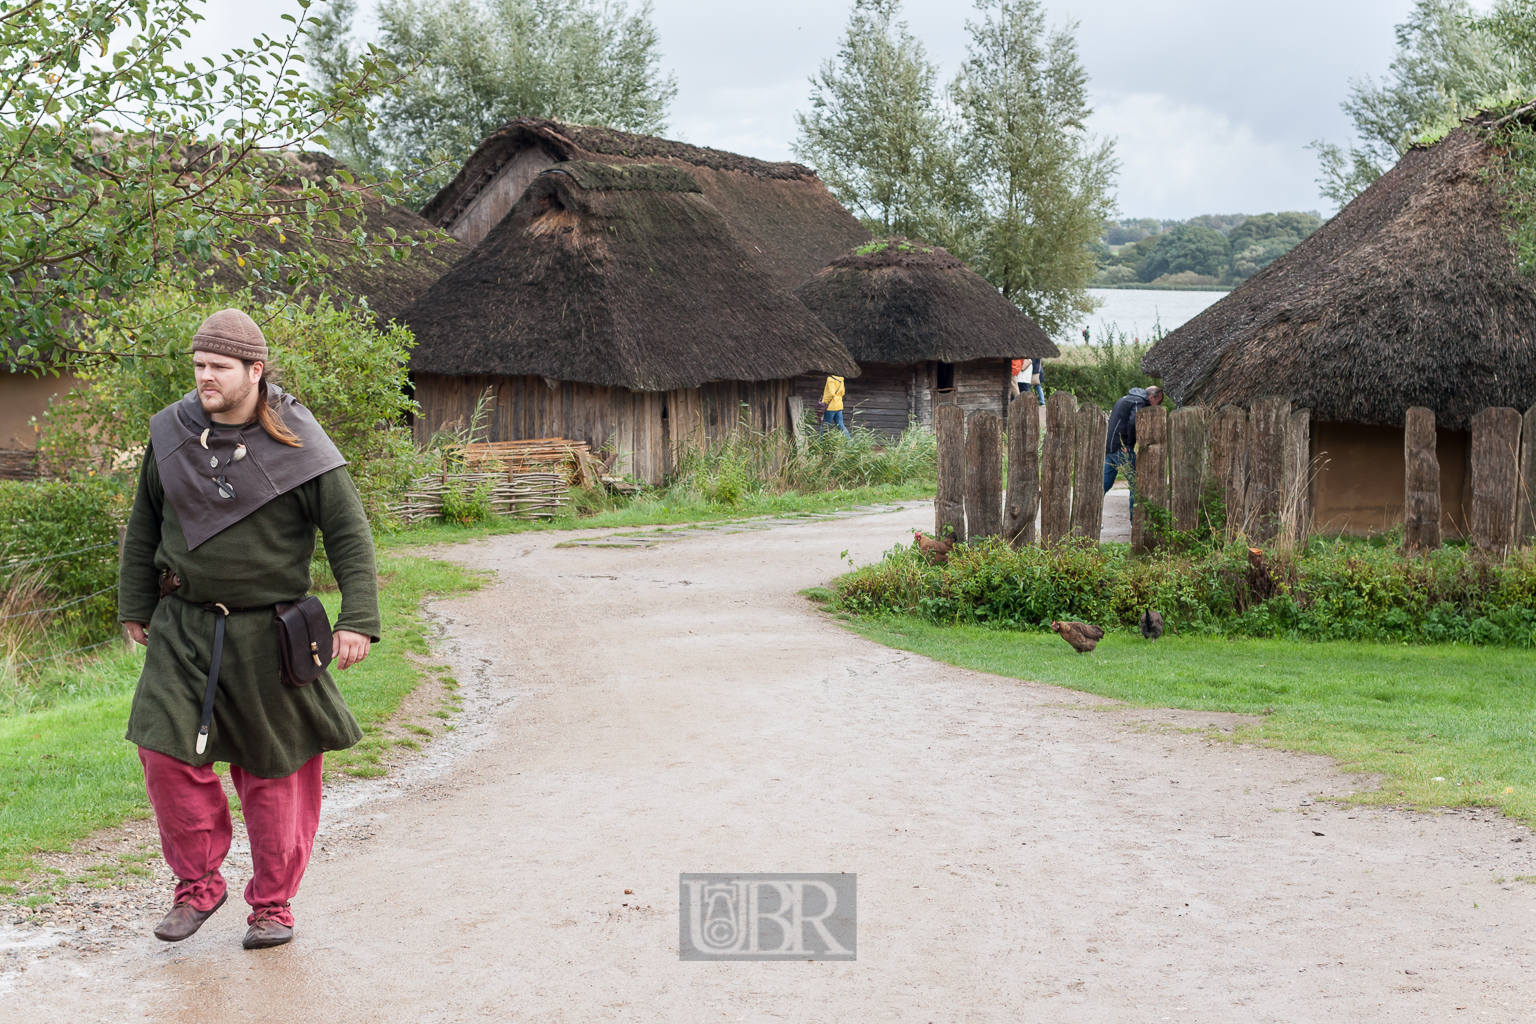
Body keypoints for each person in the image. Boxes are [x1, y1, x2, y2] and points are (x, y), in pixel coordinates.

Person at [118, 309, 380, 951]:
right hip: (183, 625)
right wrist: (135, 604)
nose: (204, 378)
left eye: (218, 368)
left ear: (255, 372)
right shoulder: (174, 436)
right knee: (163, 750)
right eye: (199, 366)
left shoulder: (302, 444)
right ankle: (199, 883)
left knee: (277, 773)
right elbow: (145, 523)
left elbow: (349, 534)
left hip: (271, 634)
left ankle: (273, 904)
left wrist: (359, 619)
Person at [1103, 384, 1163, 514]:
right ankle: (1134, 519)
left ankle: (1090, 515)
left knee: (1103, 485)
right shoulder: (1139, 402)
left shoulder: (1127, 398)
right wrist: (1129, 445)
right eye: (1158, 402)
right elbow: (1133, 423)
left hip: (1110, 446)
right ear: (1152, 397)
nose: (1156, 407)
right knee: (1137, 482)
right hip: (1121, 447)